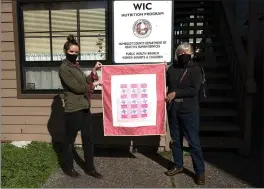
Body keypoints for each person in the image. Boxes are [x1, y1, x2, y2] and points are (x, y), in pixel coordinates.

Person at [58, 34, 103, 179]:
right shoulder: (64, 68)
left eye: (77, 52)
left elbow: (84, 81)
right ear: (66, 51)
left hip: (84, 106)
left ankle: (90, 168)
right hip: (73, 108)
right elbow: (77, 88)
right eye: (72, 52)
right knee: (70, 140)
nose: (74, 54)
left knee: (88, 138)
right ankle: (68, 167)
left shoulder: (76, 66)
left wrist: (94, 71)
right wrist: (94, 84)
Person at [165, 42, 205, 185]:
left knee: (193, 142)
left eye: (186, 53)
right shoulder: (171, 69)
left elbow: (194, 89)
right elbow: (164, 83)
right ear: (177, 54)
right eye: (181, 53)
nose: (183, 55)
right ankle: (178, 164)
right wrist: (160, 70)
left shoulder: (196, 69)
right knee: (176, 140)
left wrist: (176, 93)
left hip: (189, 110)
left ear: (191, 54)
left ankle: (199, 171)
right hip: (173, 109)